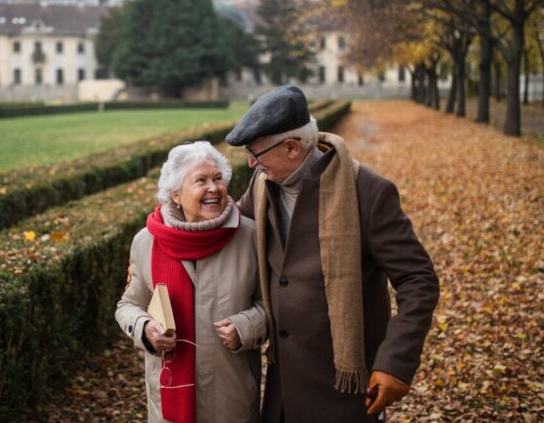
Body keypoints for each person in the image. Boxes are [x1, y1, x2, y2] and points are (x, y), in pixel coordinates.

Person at [225, 85, 440, 422]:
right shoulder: (261, 185)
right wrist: (166, 230)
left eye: (256, 153)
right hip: (283, 388)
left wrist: (396, 362)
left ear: (292, 147)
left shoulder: (368, 192)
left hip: (343, 391)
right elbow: (232, 228)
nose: (251, 163)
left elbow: (419, 280)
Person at [116, 141, 266, 423]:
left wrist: (246, 327)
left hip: (230, 398)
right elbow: (128, 305)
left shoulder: (250, 236)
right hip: (168, 400)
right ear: (175, 194)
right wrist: (145, 328)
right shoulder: (147, 241)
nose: (214, 188)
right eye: (201, 181)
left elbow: (273, 304)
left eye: (218, 179)